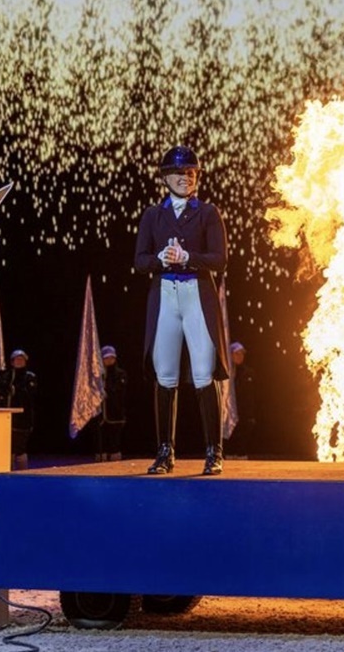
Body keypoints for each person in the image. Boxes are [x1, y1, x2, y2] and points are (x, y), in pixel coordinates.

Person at [134, 145, 229, 476]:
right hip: (165, 295)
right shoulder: (153, 215)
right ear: (165, 178)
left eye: (190, 172)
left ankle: (214, 451)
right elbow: (139, 261)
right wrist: (160, 259)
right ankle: (165, 451)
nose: (185, 178)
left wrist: (188, 257)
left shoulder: (208, 213)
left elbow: (220, 259)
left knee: (203, 373)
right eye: (178, 173)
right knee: (165, 374)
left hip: (195, 294)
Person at [0, 349, 36, 469]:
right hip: (7, 418)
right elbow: (0, 392)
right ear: (12, 362)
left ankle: (23, 472)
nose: (19, 362)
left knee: (19, 447)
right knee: (8, 447)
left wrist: (16, 390)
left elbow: (30, 394)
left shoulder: (29, 376)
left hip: (23, 418)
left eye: (22, 359)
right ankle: (8, 470)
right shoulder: (6, 376)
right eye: (17, 359)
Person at [94, 345, 128, 462]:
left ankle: (114, 455)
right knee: (102, 435)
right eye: (106, 358)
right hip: (101, 412)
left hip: (115, 411)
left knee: (114, 435)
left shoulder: (120, 374)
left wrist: (108, 390)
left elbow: (120, 390)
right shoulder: (98, 374)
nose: (109, 360)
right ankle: (101, 454)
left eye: (111, 358)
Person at [225, 341, 257, 459]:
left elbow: (252, 394)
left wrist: (251, 413)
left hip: (244, 411)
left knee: (244, 431)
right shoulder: (225, 372)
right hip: (230, 410)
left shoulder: (249, 373)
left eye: (242, 354)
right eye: (237, 354)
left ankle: (241, 454)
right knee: (231, 432)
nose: (240, 356)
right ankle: (229, 454)